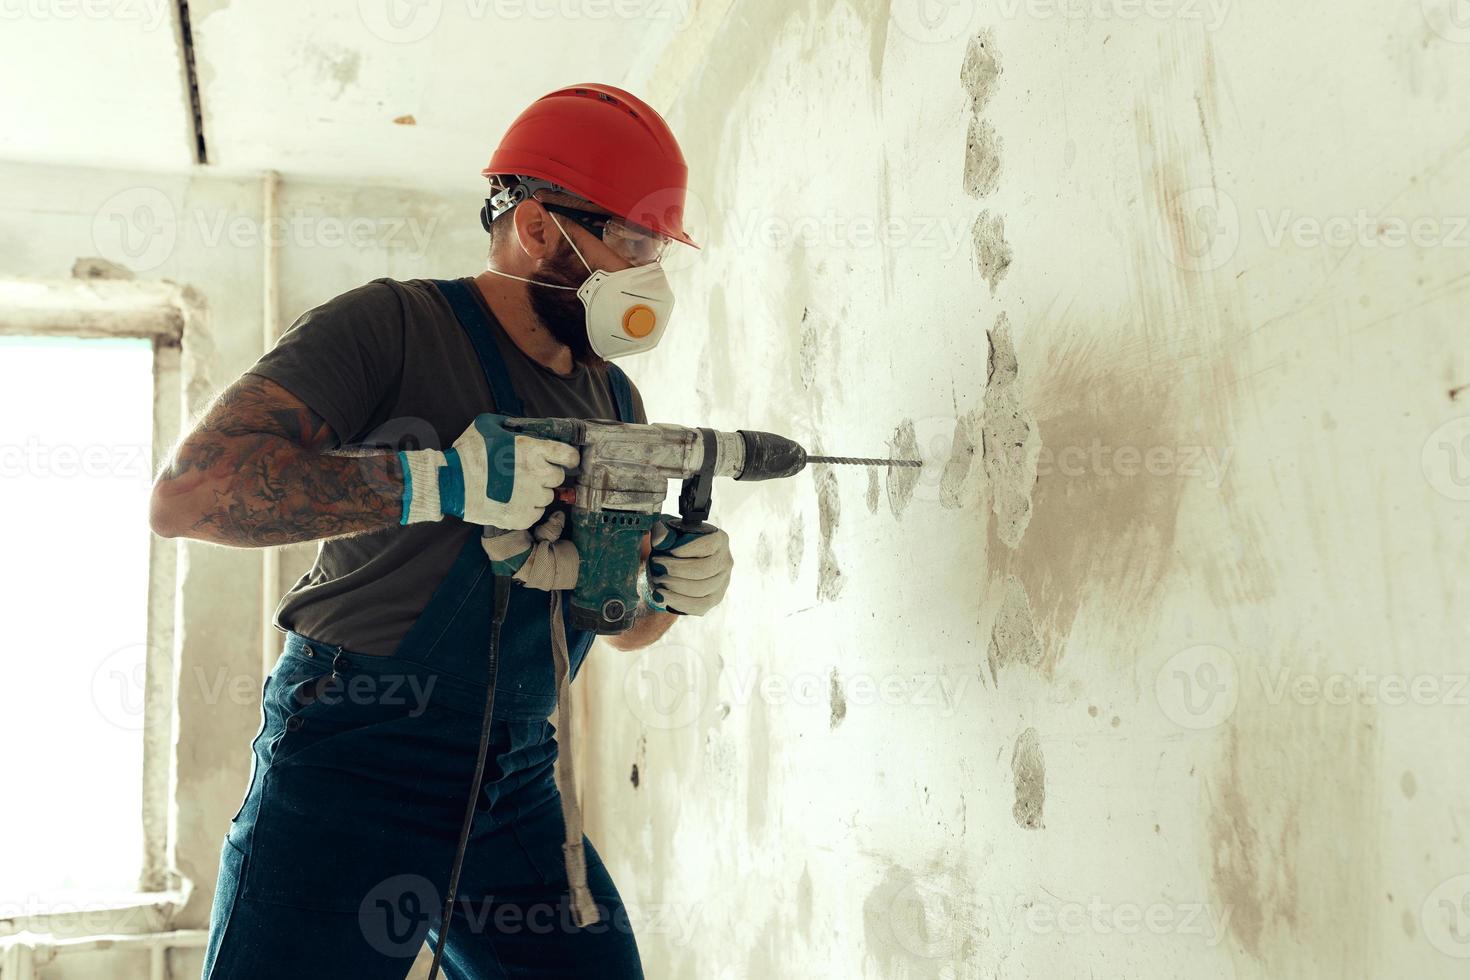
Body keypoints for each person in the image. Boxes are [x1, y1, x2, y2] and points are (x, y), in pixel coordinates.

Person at [149, 83, 734, 979]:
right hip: (355, 752)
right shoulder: (390, 327)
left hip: (517, 772)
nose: (649, 273)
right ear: (538, 226)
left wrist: (664, 587)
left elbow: (621, 626)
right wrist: (436, 480)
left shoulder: (614, 398)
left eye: (658, 247)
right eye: (634, 241)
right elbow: (190, 497)